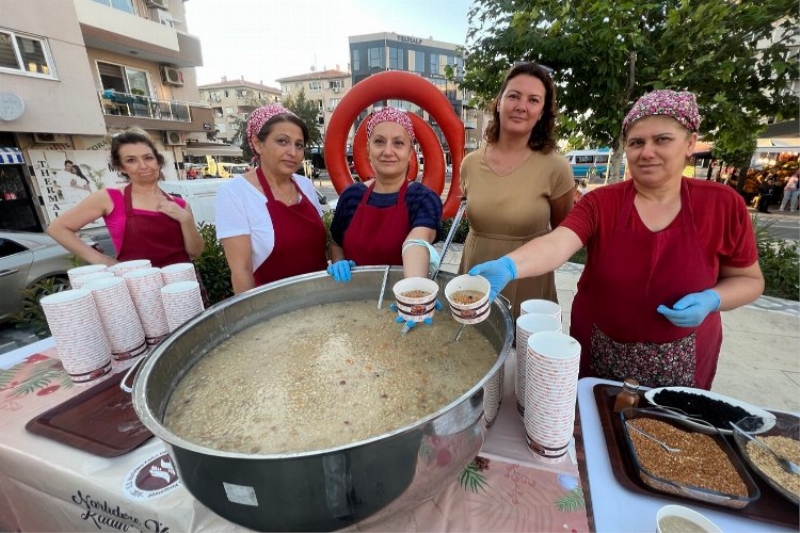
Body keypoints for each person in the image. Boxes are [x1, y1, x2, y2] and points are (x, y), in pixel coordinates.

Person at [469, 90, 764, 390]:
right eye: (636, 142)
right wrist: (509, 266)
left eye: (662, 139)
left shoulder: (722, 204)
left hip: (684, 357)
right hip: (600, 349)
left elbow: (749, 280)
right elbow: (558, 242)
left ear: (689, 143)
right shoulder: (601, 203)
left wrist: (713, 299)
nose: (647, 152)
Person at [457, 62, 574, 319]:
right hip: (475, 278)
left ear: (543, 111)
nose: (522, 106)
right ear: (499, 102)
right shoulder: (470, 164)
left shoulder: (556, 167)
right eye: (514, 96)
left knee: (523, 354)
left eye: (533, 100)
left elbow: (564, 234)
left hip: (530, 281)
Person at [48, 129, 205, 268]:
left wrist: (186, 220)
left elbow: (195, 252)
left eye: (148, 158)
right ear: (121, 167)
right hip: (137, 286)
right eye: (131, 160)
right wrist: (102, 260)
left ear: (158, 161)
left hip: (182, 284)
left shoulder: (180, 205)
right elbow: (57, 228)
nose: (143, 166)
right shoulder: (109, 198)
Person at [215, 104, 327, 294]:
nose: (293, 152)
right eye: (282, 141)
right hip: (274, 309)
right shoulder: (234, 193)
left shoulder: (305, 185)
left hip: (321, 296)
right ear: (258, 144)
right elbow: (241, 271)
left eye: (299, 145)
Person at [327, 107, 443, 283]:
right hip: (352, 299)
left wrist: (414, 295)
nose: (388, 151)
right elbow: (336, 244)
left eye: (398, 143)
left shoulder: (423, 199)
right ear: (368, 149)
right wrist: (339, 263)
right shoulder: (351, 197)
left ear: (410, 153)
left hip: (401, 301)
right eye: (379, 142)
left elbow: (417, 243)